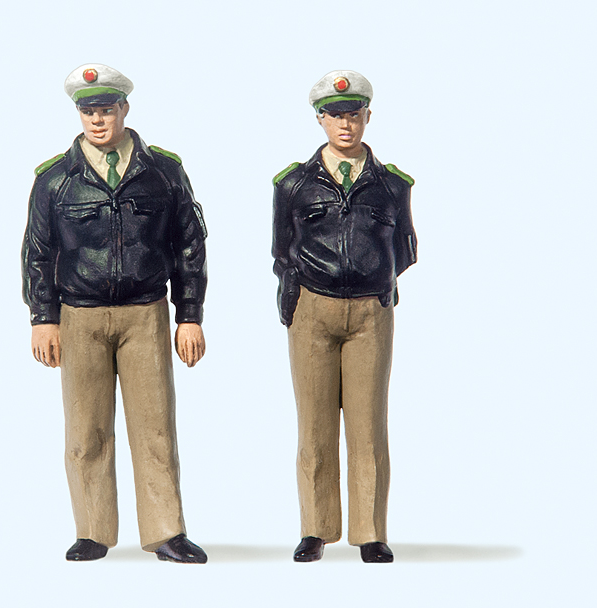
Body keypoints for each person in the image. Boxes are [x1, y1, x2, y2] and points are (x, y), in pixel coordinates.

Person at [22, 63, 208, 564]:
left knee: (155, 428)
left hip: (145, 313)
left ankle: (166, 531)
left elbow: (190, 245)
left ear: (124, 108)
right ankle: (92, 530)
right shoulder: (55, 180)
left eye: (106, 109)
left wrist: (189, 314)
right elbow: (37, 253)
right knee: (86, 430)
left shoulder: (163, 172)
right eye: (88, 111)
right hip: (79, 315)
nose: (97, 120)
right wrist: (43, 318)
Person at [271, 70, 417, 563]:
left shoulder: (391, 185)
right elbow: (281, 248)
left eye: (353, 115)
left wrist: (378, 277)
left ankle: (370, 531)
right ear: (320, 120)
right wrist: (295, 294)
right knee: (314, 425)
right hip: (313, 307)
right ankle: (316, 528)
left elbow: (405, 248)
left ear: (367, 116)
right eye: (335, 116)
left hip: (371, 311)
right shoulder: (293, 183)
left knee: (368, 425)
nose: (345, 125)